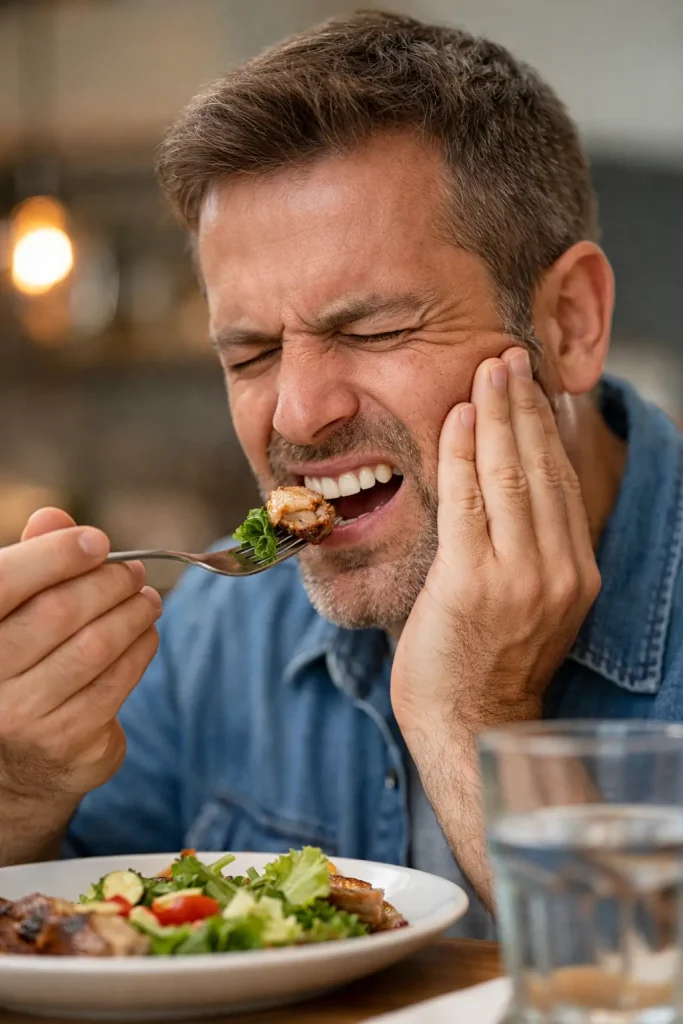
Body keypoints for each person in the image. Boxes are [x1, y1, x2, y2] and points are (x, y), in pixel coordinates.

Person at [1, 12, 682, 939]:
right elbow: (72, 940)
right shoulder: (215, 631)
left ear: (566, 323)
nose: (294, 414)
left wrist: (475, 716)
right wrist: (19, 792)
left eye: (372, 330)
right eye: (248, 355)